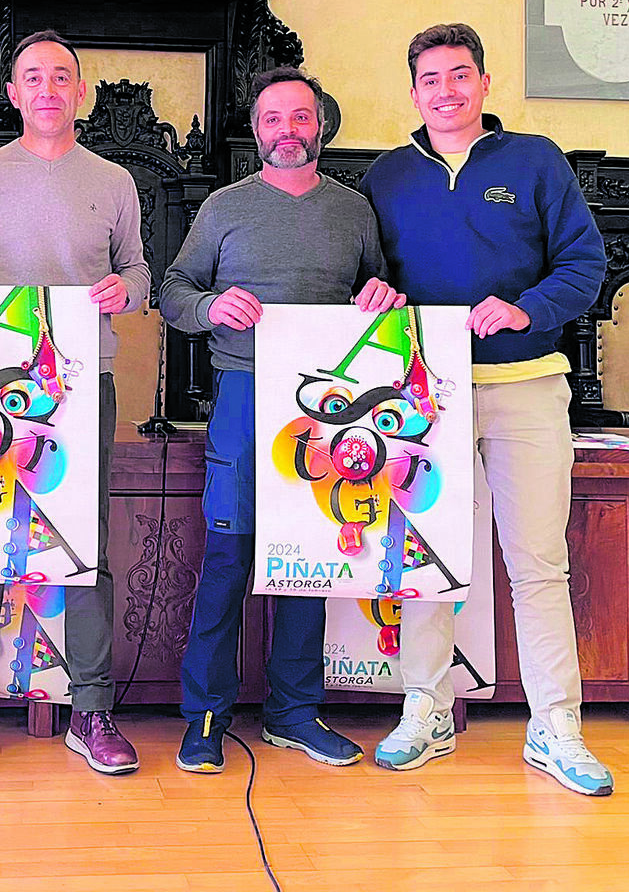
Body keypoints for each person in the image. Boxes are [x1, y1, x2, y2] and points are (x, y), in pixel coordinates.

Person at [360, 22, 613, 797]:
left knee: (538, 563)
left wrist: (526, 308)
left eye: (460, 75)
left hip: (527, 386)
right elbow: (371, 279)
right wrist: (375, 295)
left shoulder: (535, 161)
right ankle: (426, 709)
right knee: (425, 561)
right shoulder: (386, 177)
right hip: (423, 397)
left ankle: (556, 727)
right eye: (431, 78)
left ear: (484, 84)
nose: (446, 90)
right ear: (413, 93)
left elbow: (586, 264)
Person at [0, 29, 151, 779]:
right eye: (33, 77)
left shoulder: (114, 181)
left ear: (80, 92)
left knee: (85, 547)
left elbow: (138, 270)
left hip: (82, 389)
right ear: (13, 93)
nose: (48, 89)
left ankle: (92, 709)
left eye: (62, 77)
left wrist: (127, 290)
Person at [160, 67, 404, 774]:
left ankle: (294, 714)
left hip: (327, 409)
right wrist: (210, 309)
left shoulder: (353, 211)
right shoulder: (225, 207)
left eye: (300, 118)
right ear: (256, 130)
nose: (287, 131)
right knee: (228, 559)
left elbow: (378, 292)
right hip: (241, 398)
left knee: (309, 562)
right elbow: (175, 291)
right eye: (273, 119)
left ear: (320, 125)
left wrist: (383, 295)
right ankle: (204, 716)